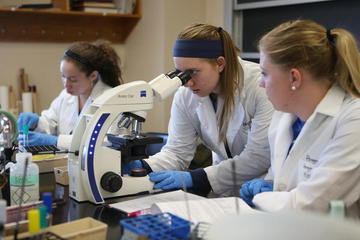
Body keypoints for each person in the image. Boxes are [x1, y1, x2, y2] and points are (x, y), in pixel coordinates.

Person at [128, 23, 273, 196]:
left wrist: (196, 179)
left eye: (193, 72)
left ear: (220, 63)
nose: (187, 82)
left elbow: (258, 157)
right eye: (181, 73)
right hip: (222, 191)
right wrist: (143, 166)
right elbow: (177, 152)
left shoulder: (261, 85)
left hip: (262, 188)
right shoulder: (185, 94)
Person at [239, 20, 360, 217]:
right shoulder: (285, 113)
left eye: (265, 73)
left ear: (294, 77)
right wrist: (270, 183)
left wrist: (260, 198)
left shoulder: (354, 119)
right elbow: (286, 177)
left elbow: (310, 204)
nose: (260, 83)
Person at [17, 40, 123, 150]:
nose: (66, 85)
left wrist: (56, 141)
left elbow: (104, 143)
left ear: (93, 76)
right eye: (63, 76)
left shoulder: (110, 100)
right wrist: (36, 123)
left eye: (73, 79)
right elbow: (51, 123)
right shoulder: (66, 96)